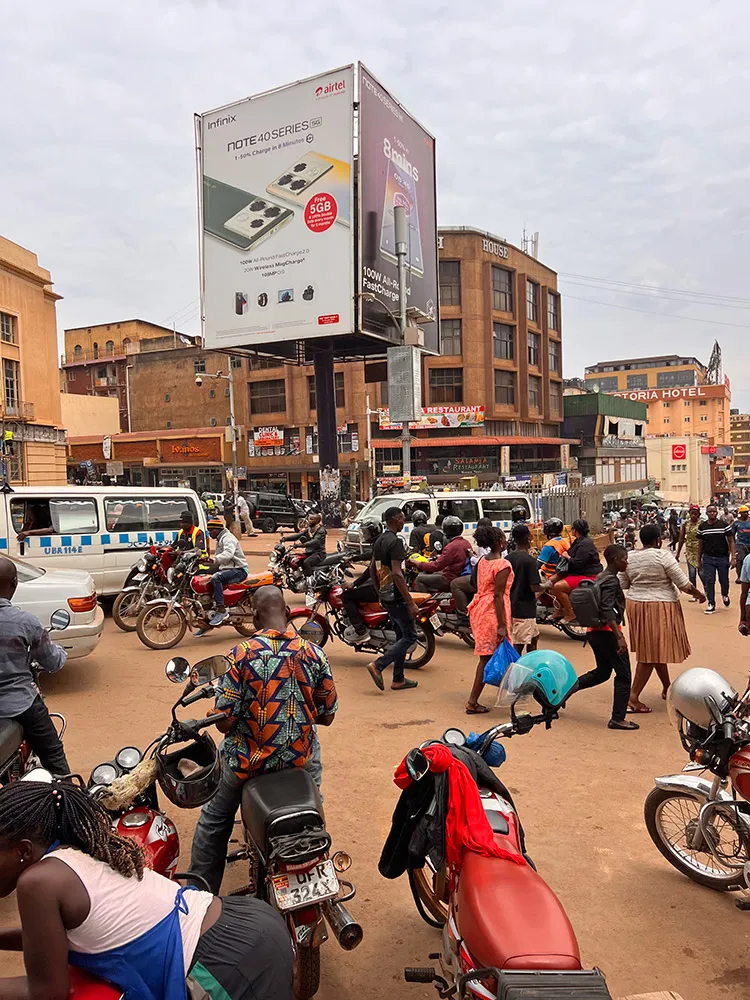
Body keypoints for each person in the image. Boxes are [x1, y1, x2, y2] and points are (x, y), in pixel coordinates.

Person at [0, 779, 293, 1000]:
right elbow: (45, 941)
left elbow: (47, 992)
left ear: (23, 850)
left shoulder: (37, 882)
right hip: (245, 925)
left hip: (222, 966)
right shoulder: (76, 849)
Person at [190, 586, 337, 894]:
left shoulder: (241, 655)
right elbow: (327, 716)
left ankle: (199, 895)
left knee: (214, 820)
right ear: (287, 612)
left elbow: (225, 723)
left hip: (247, 762)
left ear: (255, 617)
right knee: (313, 811)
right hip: (299, 759)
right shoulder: (314, 653)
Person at [622, 522, 705, 713]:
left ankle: (667, 687)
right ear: (658, 540)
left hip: (636, 605)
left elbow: (623, 583)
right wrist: (699, 595)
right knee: (650, 654)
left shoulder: (630, 557)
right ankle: (632, 698)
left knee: (655, 648)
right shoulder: (663, 555)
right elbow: (684, 584)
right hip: (659, 606)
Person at [0, 556, 69, 774]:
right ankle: (68, 793)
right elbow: (52, 661)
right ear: (14, 583)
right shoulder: (25, 622)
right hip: (19, 703)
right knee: (54, 756)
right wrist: (61, 652)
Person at [575, 544, 639, 731]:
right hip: (608, 633)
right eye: (624, 559)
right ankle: (618, 719)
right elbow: (606, 609)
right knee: (624, 675)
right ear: (614, 560)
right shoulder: (610, 580)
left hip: (594, 632)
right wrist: (619, 636)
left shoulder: (601, 577)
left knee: (602, 672)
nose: (627, 562)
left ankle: (563, 692)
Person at [366, 507, 419, 692]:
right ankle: (378, 665)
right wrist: (410, 602)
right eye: (402, 518)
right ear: (396, 520)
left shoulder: (380, 540)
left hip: (386, 594)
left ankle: (398, 679)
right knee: (410, 636)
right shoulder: (395, 542)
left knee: (400, 636)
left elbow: (373, 568)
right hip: (397, 596)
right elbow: (397, 573)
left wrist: (379, 591)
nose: (404, 522)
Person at [465, 525, 512, 715]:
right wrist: (502, 625)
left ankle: (477, 699)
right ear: (499, 543)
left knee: (488, 656)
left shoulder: (482, 561)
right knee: (487, 658)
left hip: (480, 609)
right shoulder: (503, 565)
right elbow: (498, 595)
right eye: (504, 538)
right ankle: (472, 701)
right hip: (492, 612)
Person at [550, 519, 602, 622]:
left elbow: (578, 563)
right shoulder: (578, 541)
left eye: (572, 529)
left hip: (587, 575)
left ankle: (570, 613)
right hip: (578, 572)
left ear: (575, 530)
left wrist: (567, 557)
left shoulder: (585, 544)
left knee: (557, 587)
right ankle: (559, 610)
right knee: (551, 582)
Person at [341, 520, 381, 644]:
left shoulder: (379, 545)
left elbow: (370, 571)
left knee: (346, 596)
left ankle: (360, 630)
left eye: (366, 532)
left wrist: (354, 583)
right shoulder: (379, 543)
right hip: (383, 584)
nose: (365, 535)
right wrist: (354, 558)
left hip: (380, 587)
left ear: (373, 532)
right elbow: (370, 555)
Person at [204, 516, 249, 626]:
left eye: (211, 530)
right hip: (227, 568)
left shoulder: (228, 538)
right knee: (203, 576)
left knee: (216, 578)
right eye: (208, 531)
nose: (210, 533)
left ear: (218, 529)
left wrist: (214, 560)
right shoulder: (220, 539)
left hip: (239, 570)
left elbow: (228, 554)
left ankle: (221, 610)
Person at [506, 523, 543, 655]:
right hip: (524, 610)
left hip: (512, 605)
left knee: (534, 637)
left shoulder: (508, 558)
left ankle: (531, 662)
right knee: (519, 645)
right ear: (529, 537)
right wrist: (547, 585)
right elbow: (534, 587)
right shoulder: (529, 560)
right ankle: (514, 667)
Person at [411, 515, 472, 594]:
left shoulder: (451, 546)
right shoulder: (466, 543)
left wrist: (418, 564)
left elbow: (436, 566)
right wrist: (440, 557)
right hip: (458, 574)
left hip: (450, 578)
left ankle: (427, 600)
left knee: (419, 579)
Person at [451, 518, 493, 624]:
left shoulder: (484, 544)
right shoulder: (495, 541)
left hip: (484, 578)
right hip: (489, 576)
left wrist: (472, 557)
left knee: (455, 584)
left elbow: (484, 562)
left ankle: (463, 615)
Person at [697, 503, 735, 613]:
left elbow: (731, 540)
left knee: (724, 580)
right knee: (709, 581)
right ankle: (711, 603)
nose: (712, 513)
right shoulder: (702, 527)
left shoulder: (724, 525)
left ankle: (725, 594)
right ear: (707, 513)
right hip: (708, 558)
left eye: (714, 511)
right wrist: (699, 560)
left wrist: (733, 557)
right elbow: (700, 544)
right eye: (710, 511)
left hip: (722, 557)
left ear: (717, 513)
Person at [280, 512, 327, 577]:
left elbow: (315, 541)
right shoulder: (309, 529)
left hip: (319, 553)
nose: (309, 521)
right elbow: (298, 535)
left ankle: (309, 579)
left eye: (311, 519)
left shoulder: (321, 531)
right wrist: (285, 538)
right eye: (309, 519)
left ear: (316, 521)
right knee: (296, 559)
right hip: (309, 552)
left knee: (306, 562)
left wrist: (301, 545)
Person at [675, 504, 703, 599]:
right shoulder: (685, 524)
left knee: (701, 573)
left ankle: (707, 591)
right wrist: (678, 553)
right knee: (692, 573)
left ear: (699, 514)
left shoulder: (702, 524)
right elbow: (681, 538)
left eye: (695, 514)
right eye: (692, 514)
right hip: (690, 551)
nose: (693, 516)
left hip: (700, 551)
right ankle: (695, 594)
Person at [733, 505, 750, 583]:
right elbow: (732, 534)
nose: (745, 514)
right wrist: (733, 544)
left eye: (746, 512)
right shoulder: (736, 523)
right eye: (743, 512)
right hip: (740, 544)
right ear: (740, 513)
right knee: (739, 561)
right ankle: (740, 576)